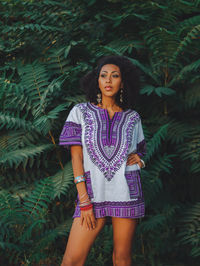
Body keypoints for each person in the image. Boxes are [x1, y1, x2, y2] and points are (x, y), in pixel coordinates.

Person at [59, 55, 147, 266]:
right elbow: (76, 156)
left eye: (114, 76)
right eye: (103, 75)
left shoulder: (132, 118)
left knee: (122, 259)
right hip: (92, 194)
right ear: (96, 81)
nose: (108, 80)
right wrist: (84, 200)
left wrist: (140, 160)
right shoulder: (80, 112)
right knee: (72, 260)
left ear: (123, 82)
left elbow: (141, 150)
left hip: (126, 194)